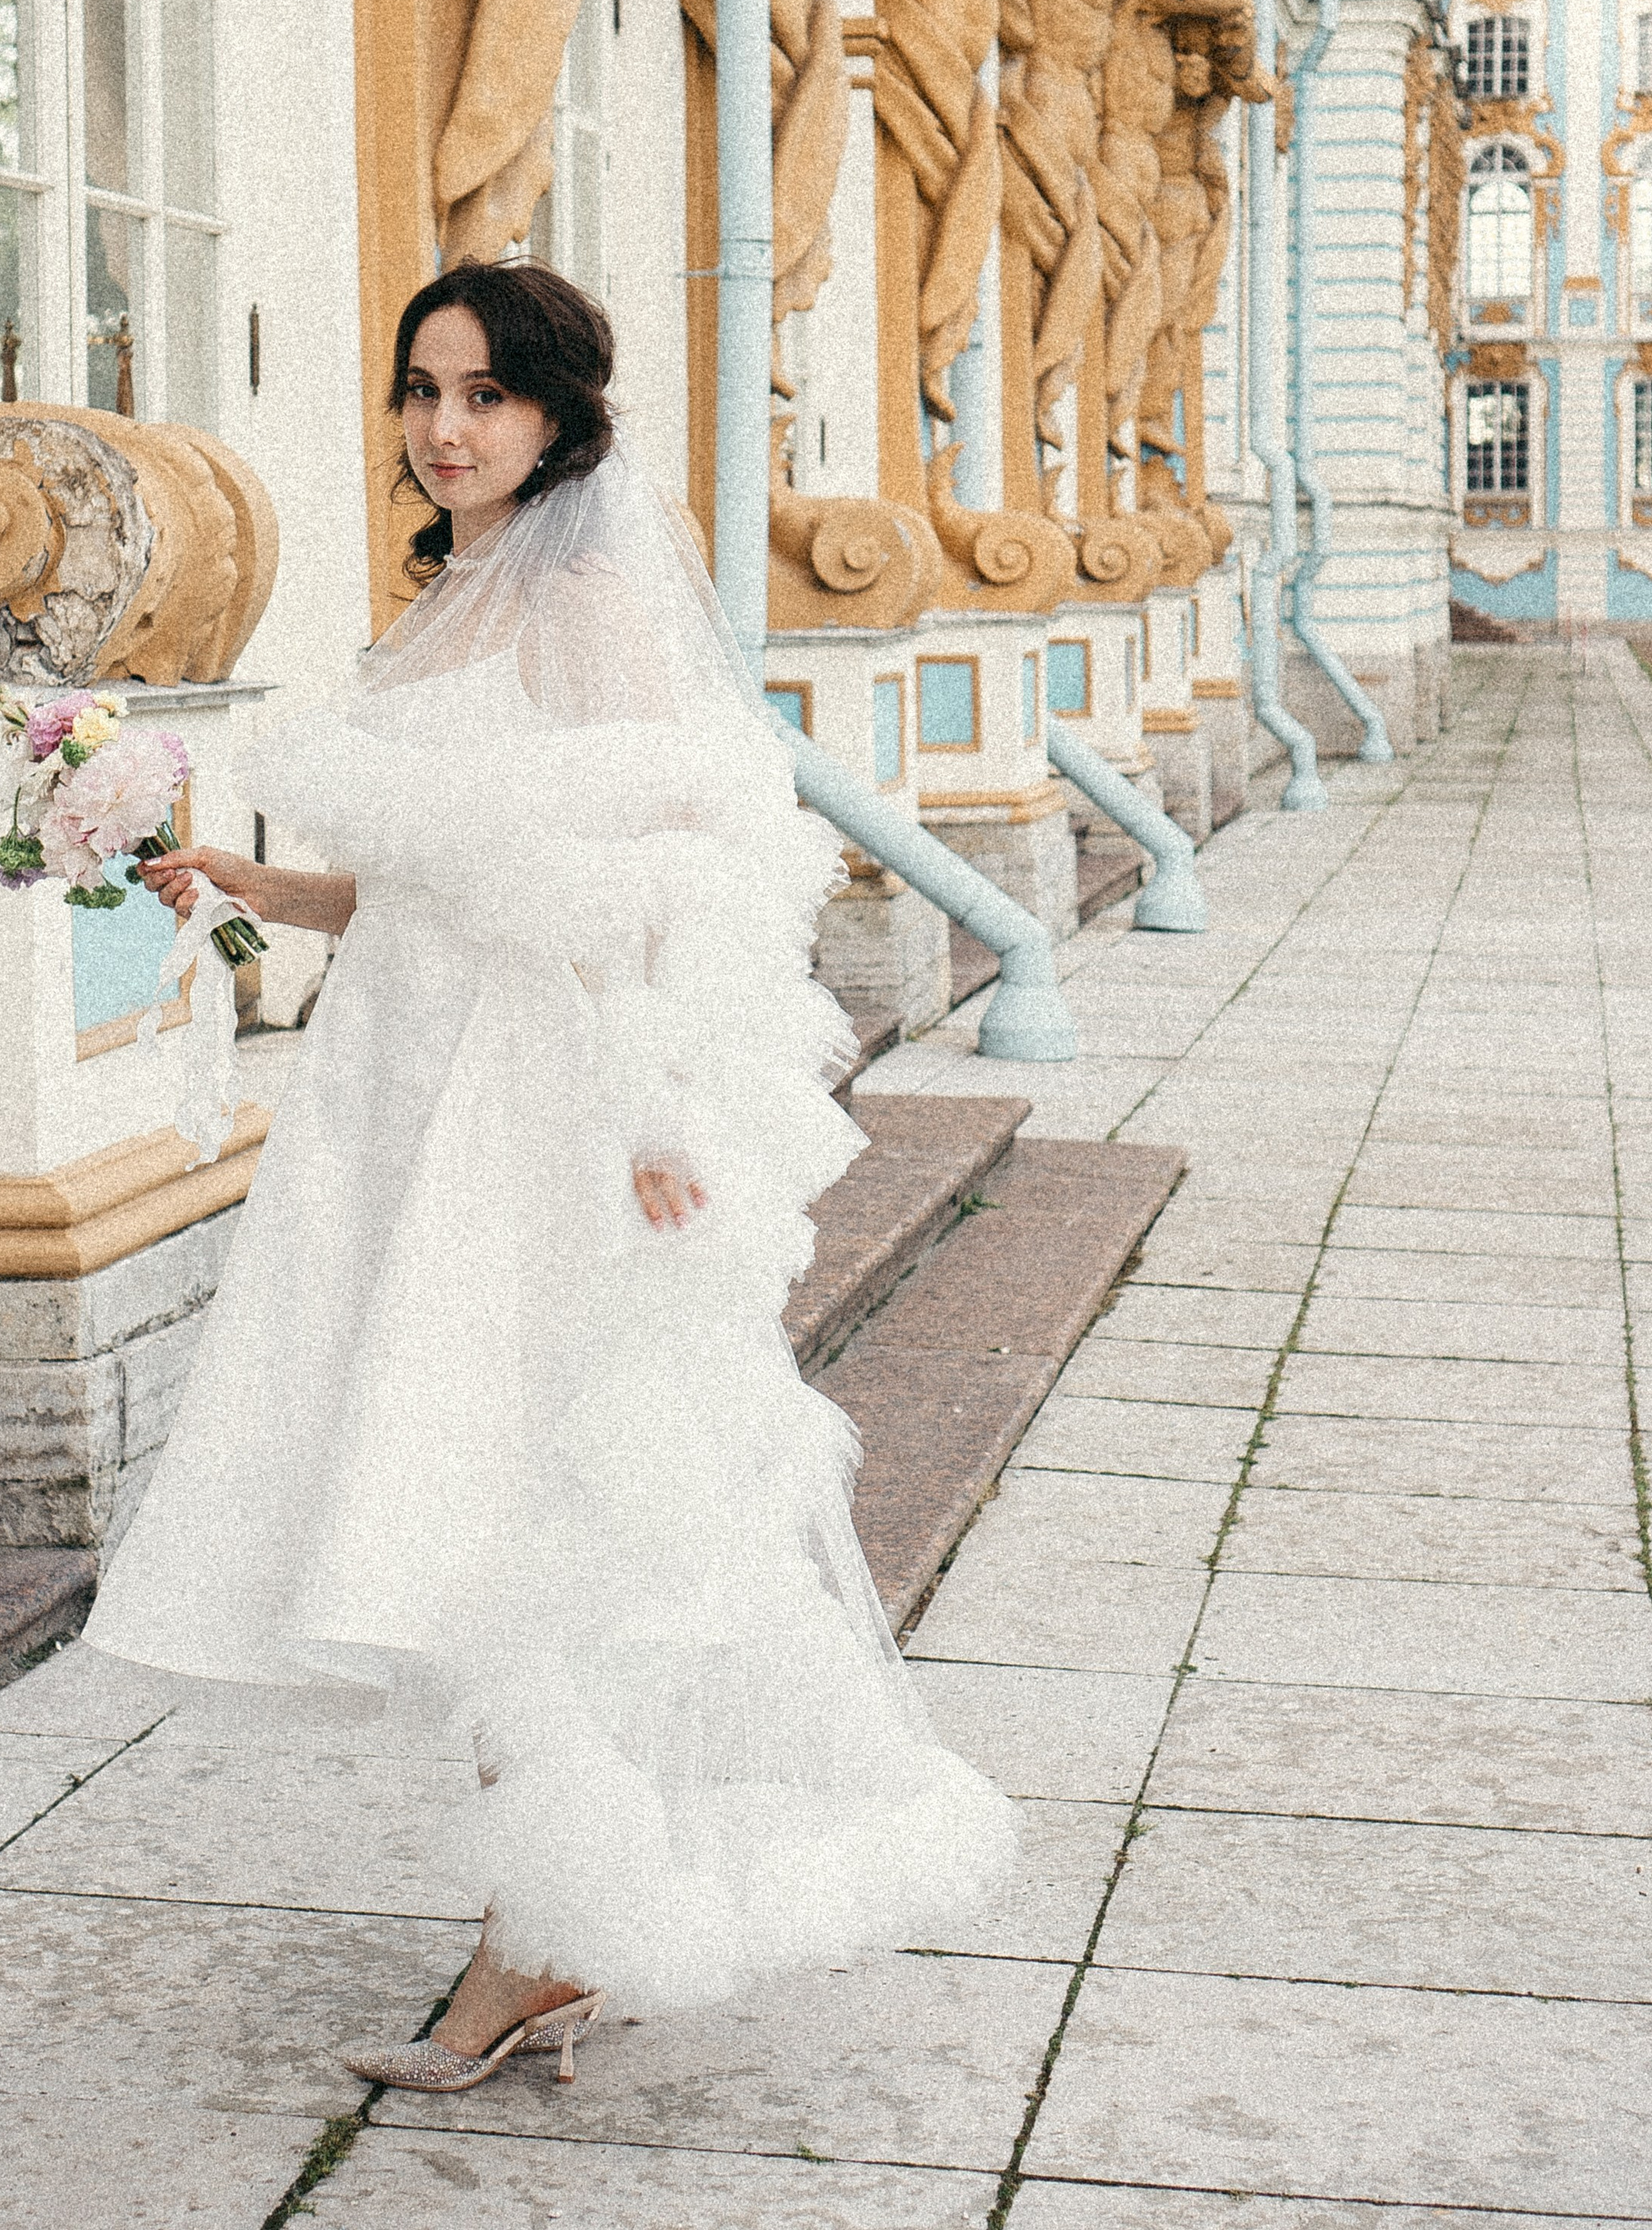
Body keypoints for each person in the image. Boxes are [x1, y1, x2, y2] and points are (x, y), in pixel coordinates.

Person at [87, 263, 1015, 2090]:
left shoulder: (588, 595)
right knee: (446, 1489)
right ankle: (549, 1925)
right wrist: (269, 891)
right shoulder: (462, 586)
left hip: (531, 1106)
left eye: (486, 396)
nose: (445, 429)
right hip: (405, 1084)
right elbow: (466, 867)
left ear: (557, 412)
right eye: (423, 392)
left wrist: (659, 1120)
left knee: (520, 1496)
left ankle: (541, 1940)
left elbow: (658, 880)